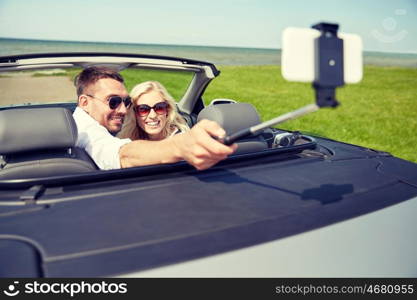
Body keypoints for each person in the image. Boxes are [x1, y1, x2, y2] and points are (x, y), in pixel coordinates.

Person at [72, 66, 237, 170]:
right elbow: (122, 155)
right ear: (84, 102)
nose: (122, 110)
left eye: (126, 102)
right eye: (113, 102)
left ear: (168, 110)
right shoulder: (85, 130)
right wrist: (181, 146)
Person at [117, 81, 188, 141]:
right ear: (134, 113)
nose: (153, 115)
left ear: (167, 110)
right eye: (143, 109)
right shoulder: (127, 138)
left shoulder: (181, 141)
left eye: (159, 107)